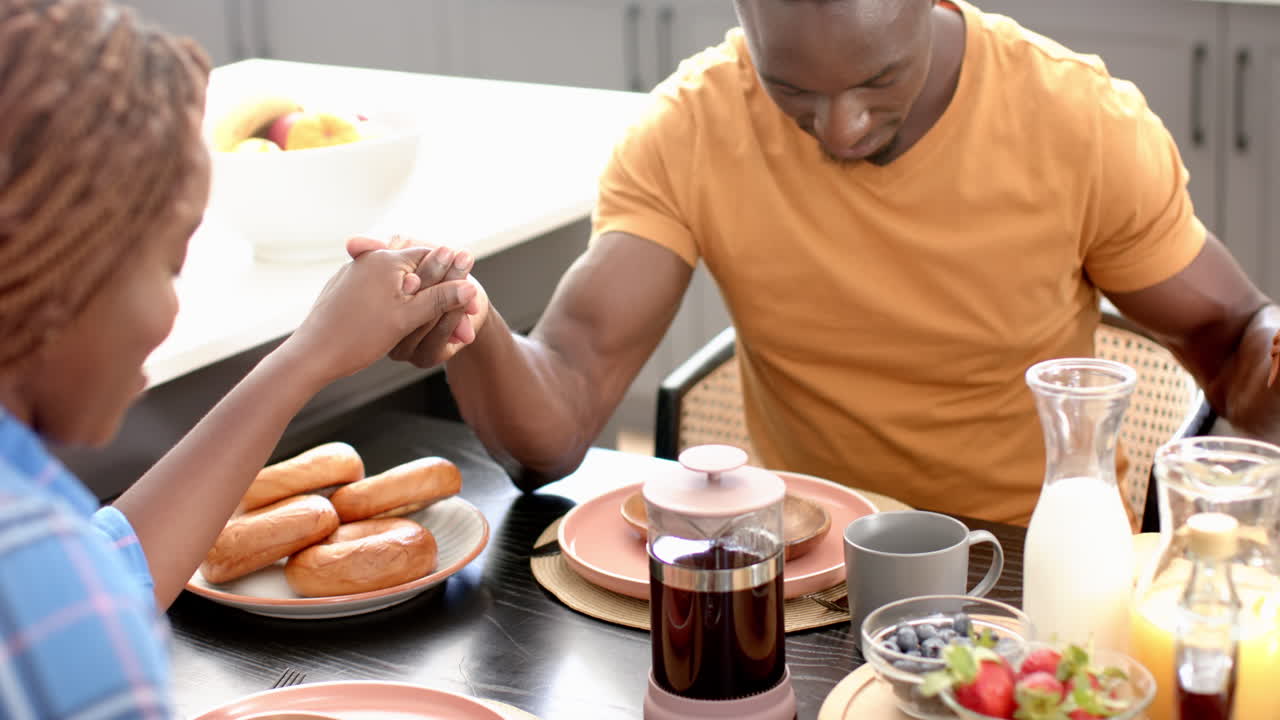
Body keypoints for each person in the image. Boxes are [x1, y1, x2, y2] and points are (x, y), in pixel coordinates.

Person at [367, 0, 1280, 525]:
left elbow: (1235, 335)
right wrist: (471, 323)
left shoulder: (1080, 123)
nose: (839, 130)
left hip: (1025, 576)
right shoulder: (688, 130)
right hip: (810, 574)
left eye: (879, 80)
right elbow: (556, 421)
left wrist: (1268, 351)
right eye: (793, 89)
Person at [0, 0, 476, 716]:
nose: (172, 309)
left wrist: (311, 353)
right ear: (62, 264)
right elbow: (76, 597)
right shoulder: (41, 589)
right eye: (167, 265)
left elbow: (113, 566)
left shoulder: (45, 554)